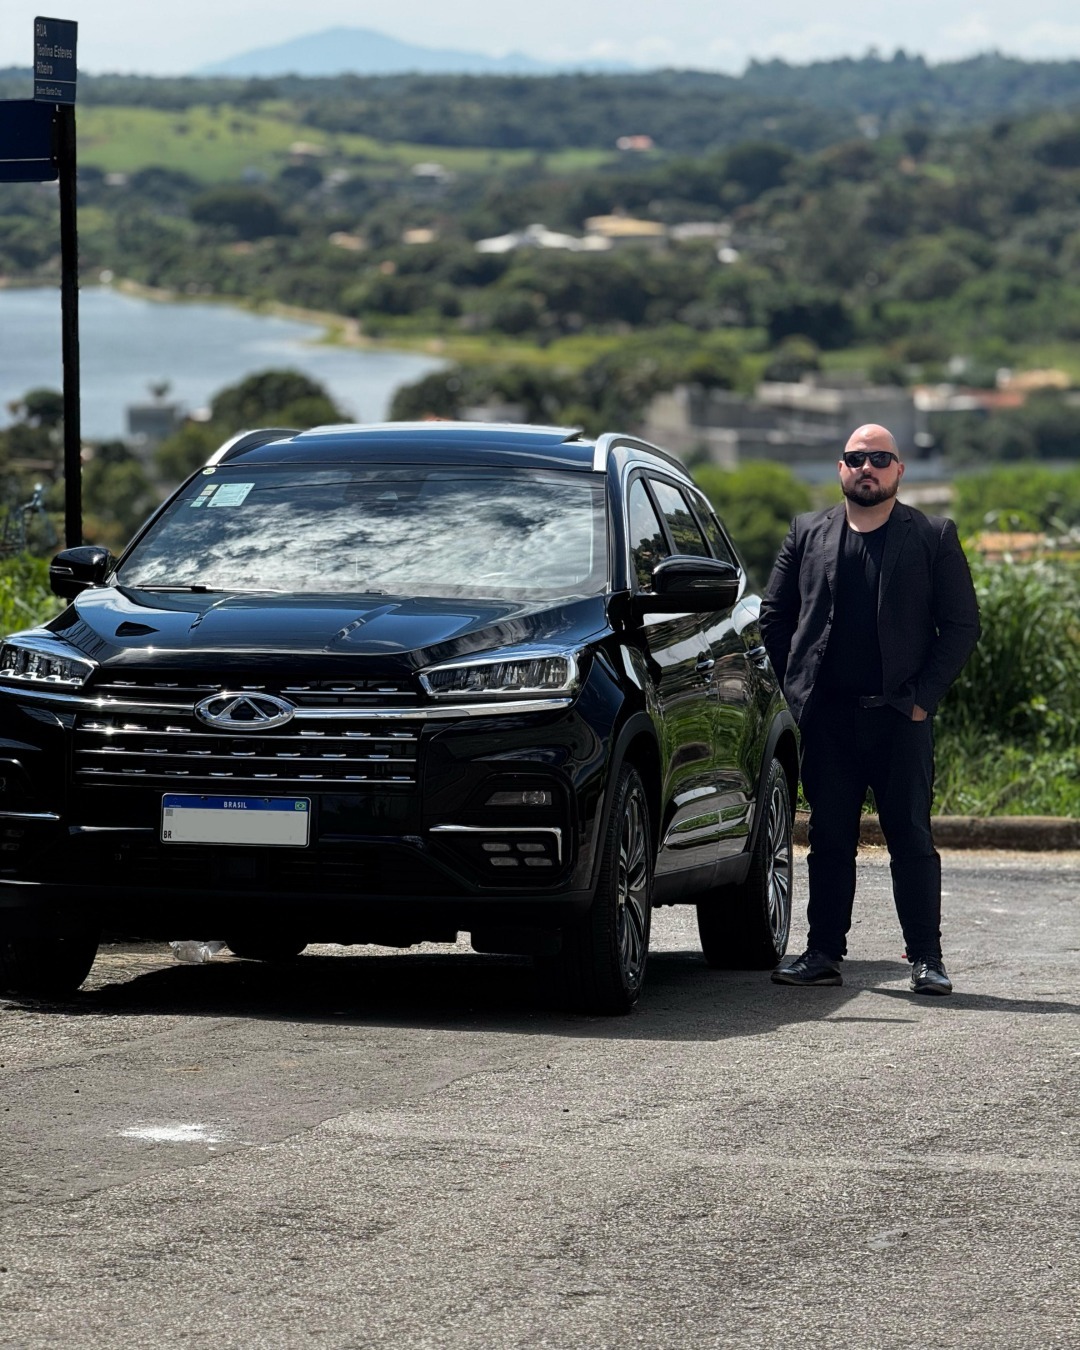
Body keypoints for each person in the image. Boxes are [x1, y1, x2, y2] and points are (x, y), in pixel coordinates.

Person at [759, 424, 980, 995]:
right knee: (829, 840)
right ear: (840, 468)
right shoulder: (807, 532)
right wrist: (797, 691)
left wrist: (922, 700)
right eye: (856, 458)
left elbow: (961, 626)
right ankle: (823, 954)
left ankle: (927, 960)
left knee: (911, 838)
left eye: (881, 459)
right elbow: (774, 618)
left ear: (899, 470)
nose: (868, 468)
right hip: (828, 720)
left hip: (900, 717)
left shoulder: (932, 535)